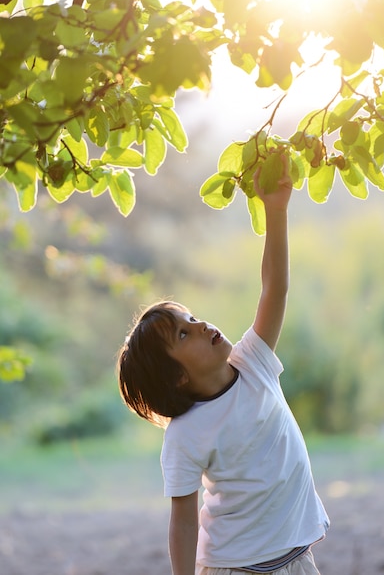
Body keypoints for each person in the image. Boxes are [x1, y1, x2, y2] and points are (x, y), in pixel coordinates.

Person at [117, 156, 330, 575]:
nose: (199, 326)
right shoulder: (185, 435)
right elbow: (182, 521)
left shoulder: (253, 362)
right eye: (183, 334)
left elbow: (276, 287)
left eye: (191, 319)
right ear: (177, 376)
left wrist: (277, 209)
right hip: (235, 569)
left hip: (299, 560)